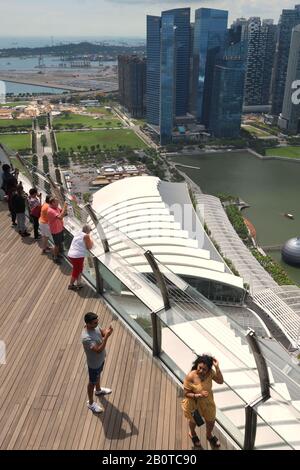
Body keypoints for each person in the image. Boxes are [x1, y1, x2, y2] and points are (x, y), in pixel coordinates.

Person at [182, 354, 224, 449]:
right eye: (199, 367)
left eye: (204, 369)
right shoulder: (191, 376)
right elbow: (186, 393)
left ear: (208, 370)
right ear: (197, 365)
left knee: (211, 421)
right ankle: (192, 433)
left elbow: (221, 381)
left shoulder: (210, 373)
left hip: (208, 403)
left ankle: (209, 435)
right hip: (195, 405)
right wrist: (198, 395)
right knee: (194, 422)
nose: (201, 371)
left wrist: (217, 368)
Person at [81, 312, 113, 414]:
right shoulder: (86, 338)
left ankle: (98, 390)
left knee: (98, 375)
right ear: (88, 324)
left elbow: (101, 333)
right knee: (91, 383)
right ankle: (90, 403)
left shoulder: (95, 326)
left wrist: (106, 332)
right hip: (94, 364)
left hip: (100, 360)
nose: (97, 323)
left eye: (97, 321)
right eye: (95, 323)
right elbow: (98, 350)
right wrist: (107, 337)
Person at [67, 224, 93, 291]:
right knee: (76, 270)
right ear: (87, 231)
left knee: (79, 268)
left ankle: (79, 283)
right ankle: (70, 285)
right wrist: (91, 239)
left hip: (71, 254)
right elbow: (89, 246)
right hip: (77, 256)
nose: (90, 232)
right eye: (90, 230)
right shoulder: (86, 236)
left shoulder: (78, 233)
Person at [47, 197, 68, 264]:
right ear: (52, 203)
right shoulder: (51, 211)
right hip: (56, 231)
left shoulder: (55, 208)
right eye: (57, 202)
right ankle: (55, 257)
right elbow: (60, 217)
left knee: (59, 243)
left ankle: (57, 253)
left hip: (59, 229)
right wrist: (65, 206)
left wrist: (65, 210)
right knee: (57, 245)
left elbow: (61, 211)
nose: (58, 203)